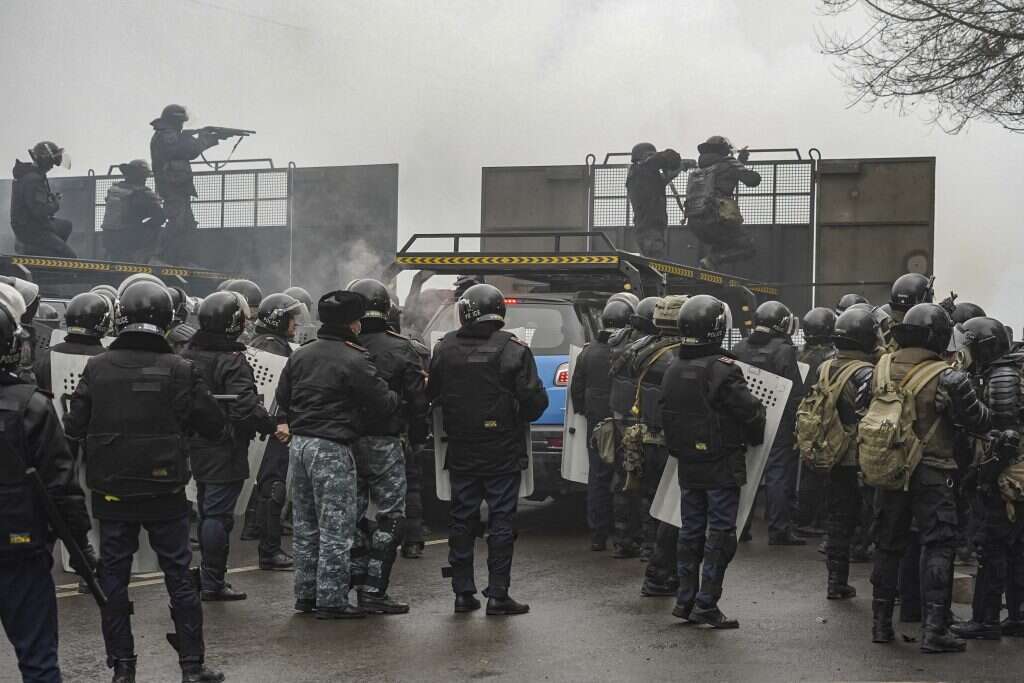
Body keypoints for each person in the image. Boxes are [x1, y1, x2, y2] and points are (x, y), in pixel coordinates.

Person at [63, 280, 227, 683]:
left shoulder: (98, 366)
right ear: (167, 317)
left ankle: (123, 667)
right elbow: (213, 426)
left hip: (111, 490)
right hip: (165, 490)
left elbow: (74, 426)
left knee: (114, 578)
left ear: (122, 316)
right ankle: (192, 667)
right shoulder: (181, 369)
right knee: (180, 575)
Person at [867, 303, 990, 653]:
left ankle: (880, 625)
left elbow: (864, 409)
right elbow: (979, 420)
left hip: (888, 469)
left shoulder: (882, 366)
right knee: (938, 544)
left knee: (888, 545)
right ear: (938, 335)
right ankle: (935, 631)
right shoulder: (948, 375)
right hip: (934, 471)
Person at [275, 290, 398, 619]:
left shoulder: (301, 354)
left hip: (299, 446)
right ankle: (331, 601)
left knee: (305, 524)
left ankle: (306, 594)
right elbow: (382, 401)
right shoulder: (354, 358)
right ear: (354, 324)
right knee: (336, 527)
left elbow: (282, 395)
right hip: (332, 447)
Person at [428, 283, 548, 615]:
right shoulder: (515, 349)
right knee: (501, 521)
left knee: (461, 519)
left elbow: (432, 394)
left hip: (462, 448)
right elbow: (534, 402)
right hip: (502, 448)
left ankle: (463, 593)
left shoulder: (444, 348)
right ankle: (498, 595)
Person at [0, 298, 93, 683]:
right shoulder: (32, 405)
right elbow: (61, 486)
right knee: (38, 661)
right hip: (20, 547)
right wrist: (81, 545)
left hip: (21, 546)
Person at [663, 295, 766, 628]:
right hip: (721, 461)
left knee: (690, 530)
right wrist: (756, 431)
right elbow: (750, 411)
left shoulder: (672, 367)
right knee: (721, 533)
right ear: (718, 329)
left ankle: (685, 599)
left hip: (689, 463)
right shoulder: (723, 370)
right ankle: (706, 602)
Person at [182, 292, 274, 601]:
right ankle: (212, 581)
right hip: (224, 445)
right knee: (218, 516)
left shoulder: (187, 354)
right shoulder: (231, 360)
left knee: (207, 508)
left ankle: (206, 577)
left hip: (193, 443)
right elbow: (244, 408)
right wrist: (270, 425)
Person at [347, 278, 428, 614]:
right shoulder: (401, 348)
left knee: (349, 515)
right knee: (390, 517)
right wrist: (419, 437)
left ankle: (350, 577)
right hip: (386, 442)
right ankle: (374, 588)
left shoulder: (339, 345)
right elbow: (417, 401)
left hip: (345, 443)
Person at [949, 317, 1020, 640]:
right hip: (1013, 475)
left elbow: (1005, 438)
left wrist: (983, 476)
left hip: (1006, 476)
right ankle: (1017, 616)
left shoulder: (1002, 376)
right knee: (1016, 547)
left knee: (991, 546)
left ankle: (986, 619)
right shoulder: (1003, 370)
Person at [815, 306, 878, 600]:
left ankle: (835, 581)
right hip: (861, 454)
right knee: (874, 516)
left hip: (832, 450)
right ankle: (883, 584)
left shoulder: (826, 366)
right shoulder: (866, 372)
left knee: (838, 517)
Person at [732, 301, 806, 545]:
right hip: (778, 423)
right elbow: (795, 392)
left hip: (744, 419)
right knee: (777, 474)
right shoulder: (784, 351)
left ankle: (740, 528)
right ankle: (778, 530)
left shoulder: (739, 346)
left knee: (747, 471)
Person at [242, 293, 304, 571]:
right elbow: (278, 394)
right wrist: (281, 422)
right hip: (274, 428)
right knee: (273, 486)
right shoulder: (276, 350)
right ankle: (269, 550)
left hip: (256, 426)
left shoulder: (254, 345)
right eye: (292, 317)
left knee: (261, 484)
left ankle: (253, 530)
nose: (295, 322)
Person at [632, 296, 688, 596]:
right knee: (674, 509)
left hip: (644, 436)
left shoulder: (643, 349)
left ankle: (648, 547)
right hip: (671, 442)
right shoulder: (679, 358)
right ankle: (662, 570)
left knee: (650, 498)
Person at [570, 298, 631, 551]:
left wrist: (587, 413)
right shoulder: (630, 351)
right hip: (626, 422)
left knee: (598, 476)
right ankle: (623, 536)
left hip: (597, 424)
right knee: (626, 476)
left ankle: (597, 534)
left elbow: (577, 390)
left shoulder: (587, 352)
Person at [606, 295, 651, 558]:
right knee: (647, 483)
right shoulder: (653, 349)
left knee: (623, 480)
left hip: (621, 421)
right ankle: (647, 543)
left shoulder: (617, 343)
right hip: (644, 424)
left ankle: (623, 540)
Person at [150, 105, 220, 265]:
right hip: (172, 185)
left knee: (187, 224)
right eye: (180, 122)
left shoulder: (169, 134)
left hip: (177, 185)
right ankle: (159, 257)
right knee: (177, 222)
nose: (182, 125)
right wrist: (205, 139)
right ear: (174, 121)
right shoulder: (167, 135)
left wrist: (202, 137)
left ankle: (180, 259)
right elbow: (186, 151)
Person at [686, 136, 760, 271]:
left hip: (695, 223)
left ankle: (708, 265)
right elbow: (752, 180)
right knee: (748, 247)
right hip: (716, 220)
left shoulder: (700, 169)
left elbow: (723, 177)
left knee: (722, 242)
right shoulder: (728, 163)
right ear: (724, 149)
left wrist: (740, 162)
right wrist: (741, 165)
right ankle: (712, 260)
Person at [794, 307, 837, 537]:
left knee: (806, 466)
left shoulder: (797, 354)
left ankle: (803, 516)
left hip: (802, 415)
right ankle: (820, 518)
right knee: (824, 469)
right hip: (825, 417)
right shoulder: (833, 359)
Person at [10, 141, 76, 258]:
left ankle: (50, 252)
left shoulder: (29, 175)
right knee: (70, 258)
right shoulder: (34, 180)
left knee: (66, 225)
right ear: (45, 160)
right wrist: (55, 204)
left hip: (29, 225)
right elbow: (39, 211)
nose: (52, 166)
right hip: (32, 230)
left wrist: (48, 199)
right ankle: (44, 256)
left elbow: (34, 203)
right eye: (51, 162)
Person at [626, 142, 693, 258]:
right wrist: (677, 161)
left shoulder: (642, 176)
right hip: (649, 228)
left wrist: (681, 167)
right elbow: (660, 160)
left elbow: (664, 179)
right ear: (643, 157)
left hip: (648, 227)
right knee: (656, 265)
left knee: (653, 264)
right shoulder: (641, 171)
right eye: (650, 155)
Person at [102, 160, 166, 263]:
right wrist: (143, 224)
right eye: (144, 176)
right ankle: (145, 259)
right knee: (160, 230)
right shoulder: (142, 193)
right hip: (128, 239)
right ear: (140, 176)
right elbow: (160, 217)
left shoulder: (114, 189)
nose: (145, 179)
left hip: (108, 238)